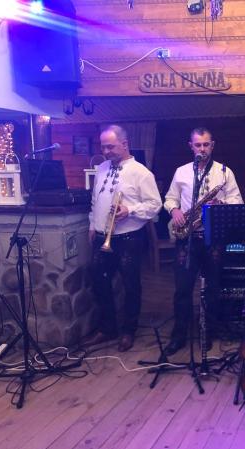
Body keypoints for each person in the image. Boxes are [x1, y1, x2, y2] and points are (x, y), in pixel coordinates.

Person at [163, 127, 243, 356]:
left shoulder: (224, 172)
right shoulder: (181, 172)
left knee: (213, 288)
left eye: (206, 144)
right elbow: (169, 198)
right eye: (198, 145)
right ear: (191, 146)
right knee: (182, 288)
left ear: (212, 145)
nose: (202, 149)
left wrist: (221, 206)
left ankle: (208, 332)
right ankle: (179, 335)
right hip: (187, 237)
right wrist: (175, 210)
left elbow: (237, 201)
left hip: (213, 238)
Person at [84, 124, 162, 352]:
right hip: (102, 236)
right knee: (99, 281)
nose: (106, 151)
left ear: (125, 144)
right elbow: (94, 200)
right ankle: (108, 327)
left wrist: (130, 210)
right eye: (103, 147)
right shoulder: (101, 168)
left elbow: (155, 205)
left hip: (129, 238)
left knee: (131, 285)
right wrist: (92, 224)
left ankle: (129, 330)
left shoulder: (141, 172)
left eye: (110, 147)